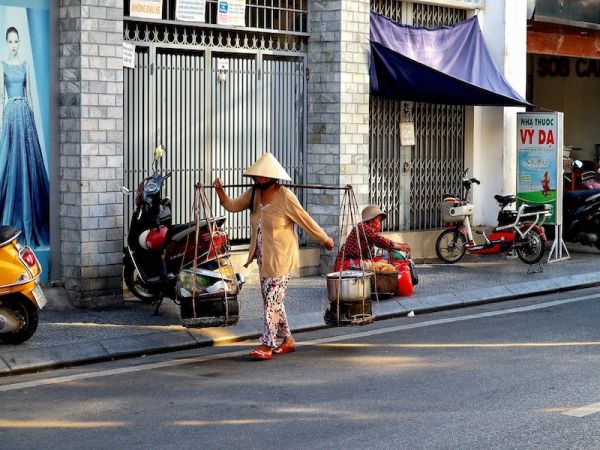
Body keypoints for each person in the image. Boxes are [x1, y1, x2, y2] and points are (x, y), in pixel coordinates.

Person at [213, 152, 334, 361]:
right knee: (274, 300)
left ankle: (267, 344)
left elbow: (305, 220)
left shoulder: (286, 197)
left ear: (272, 177)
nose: (259, 179)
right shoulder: (254, 195)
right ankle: (287, 340)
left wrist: (325, 239)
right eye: (257, 176)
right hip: (263, 259)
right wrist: (220, 192)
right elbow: (232, 206)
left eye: (263, 176)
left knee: (271, 301)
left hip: (281, 259)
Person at [0, 27, 50, 248]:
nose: (13, 45)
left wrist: (31, 124)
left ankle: (31, 225)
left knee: (29, 170)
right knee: (9, 167)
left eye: (16, 41)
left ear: (19, 42)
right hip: (10, 117)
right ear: (6, 42)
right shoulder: (2, 66)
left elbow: (29, 95)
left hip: (25, 117)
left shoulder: (25, 65)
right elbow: (1, 97)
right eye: (10, 41)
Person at [336, 205, 411, 268]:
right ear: (370, 220)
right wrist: (399, 247)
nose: (379, 223)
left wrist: (400, 245)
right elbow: (378, 240)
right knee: (369, 263)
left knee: (377, 261)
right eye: (378, 220)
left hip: (357, 262)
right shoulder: (362, 227)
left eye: (380, 220)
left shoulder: (369, 231)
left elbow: (379, 242)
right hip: (345, 263)